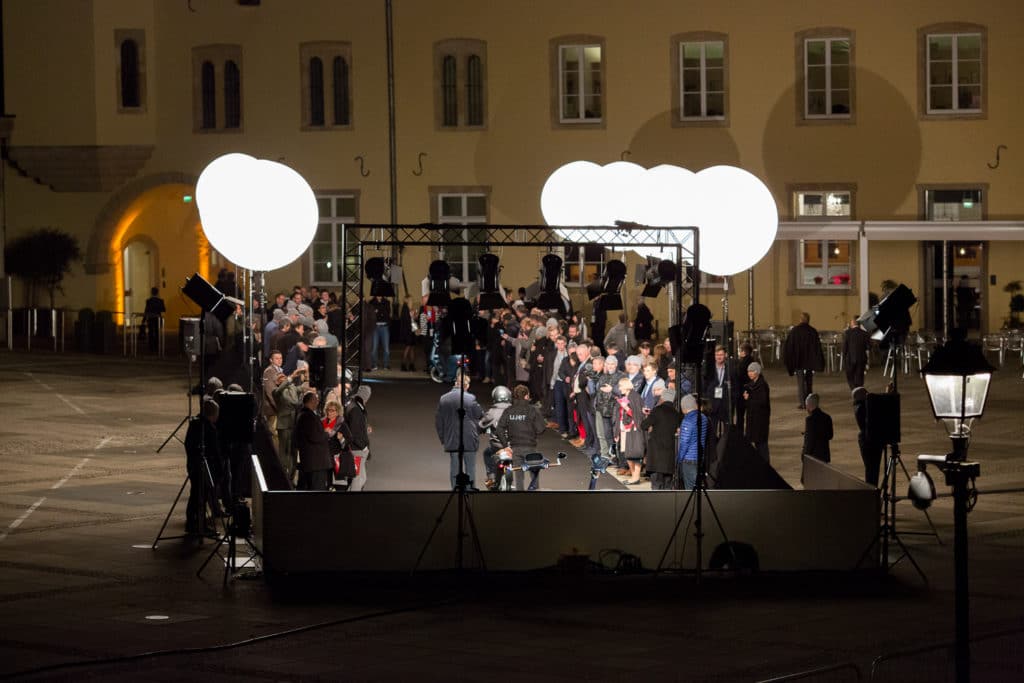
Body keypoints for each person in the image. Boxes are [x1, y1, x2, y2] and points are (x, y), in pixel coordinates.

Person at [435, 372, 483, 489]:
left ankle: (455, 490)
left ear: (456, 383)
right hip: (469, 438)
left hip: (452, 438)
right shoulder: (470, 398)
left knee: (454, 467)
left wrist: (443, 439)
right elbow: (480, 415)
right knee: (470, 467)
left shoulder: (444, 399)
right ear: (466, 385)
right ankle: (470, 491)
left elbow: (439, 421)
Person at [496, 384, 547, 491]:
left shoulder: (509, 410)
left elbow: (499, 429)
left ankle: (520, 497)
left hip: (515, 448)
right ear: (527, 396)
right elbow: (541, 429)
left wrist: (505, 446)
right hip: (530, 448)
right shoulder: (533, 410)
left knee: (519, 478)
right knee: (534, 476)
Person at [184, 399, 221, 536]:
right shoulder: (208, 429)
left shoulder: (194, 424)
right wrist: (219, 468)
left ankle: (192, 522)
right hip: (204, 467)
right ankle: (198, 524)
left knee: (195, 494)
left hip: (193, 464)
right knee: (200, 496)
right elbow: (214, 450)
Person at [272, 362, 306, 483]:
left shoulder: (292, 388)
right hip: (284, 424)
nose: (283, 378)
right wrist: (291, 377)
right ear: (277, 382)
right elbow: (281, 388)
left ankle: (291, 477)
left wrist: (307, 376)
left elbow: (303, 388)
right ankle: (282, 476)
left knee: (293, 452)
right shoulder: (276, 391)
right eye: (280, 378)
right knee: (284, 452)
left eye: (284, 376)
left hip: (294, 424)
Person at [783, 312, 825, 409]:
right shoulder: (813, 331)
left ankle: (803, 403)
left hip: (799, 362)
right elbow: (817, 348)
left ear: (801, 320)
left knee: (801, 383)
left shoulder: (795, 331)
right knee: (809, 382)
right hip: (809, 362)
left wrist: (790, 361)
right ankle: (810, 402)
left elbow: (789, 347)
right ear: (808, 320)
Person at [641, 387, 680, 490]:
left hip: (656, 456)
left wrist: (648, 418)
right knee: (668, 486)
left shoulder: (657, 410)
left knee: (656, 487)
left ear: (662, 398)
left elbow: (644, 425)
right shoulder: (676, 414)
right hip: (669, 456)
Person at [293, 391, 333, 491]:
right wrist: (326, 433)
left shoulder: (303, 414)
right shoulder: (307, 416)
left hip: (311, 462)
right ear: (311, 401)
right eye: (316, 400)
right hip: (315, 463)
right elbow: (314, 436)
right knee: (317, 490)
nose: (317, 402)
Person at [614, 376, 646, 484]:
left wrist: (626, 407)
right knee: (627, 454)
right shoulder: (625, 397)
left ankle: (636, 477)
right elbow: (620, 415)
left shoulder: (635, 397)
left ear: (626, 386)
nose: (619, 388)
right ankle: (633, 476)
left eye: (621, 386)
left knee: (635, 454)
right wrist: (617, 431)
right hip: (625, 429)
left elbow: (638, 415)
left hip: (634, 430)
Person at [479, 385, 513, 489]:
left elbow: (481, 425)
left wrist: (481, 430)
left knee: (487, 453)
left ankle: (491, 477)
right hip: (513, 446)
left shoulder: (492, 412)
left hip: (497, 446)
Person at [676, 393, 709, 490]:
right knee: (698, 488)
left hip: (689, 459)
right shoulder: (703, 418)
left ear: (684, 407)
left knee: (690, 488)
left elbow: (684, 443)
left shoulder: (687, 420)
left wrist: (679, 459)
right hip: (700, 457)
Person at [852, 386, 883, 486]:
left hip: (867, 441)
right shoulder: (862, 408)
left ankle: (871, 488)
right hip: (870, 442)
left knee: (871, 469)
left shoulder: (859, 406)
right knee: (872, 469)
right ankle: (871, 488)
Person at [742, 362, 771, 463]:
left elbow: (762, 402)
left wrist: (749, 398)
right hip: (753, 420)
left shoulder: (762, 385)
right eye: (748, 371)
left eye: (752, 371)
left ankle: (765, 466)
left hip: (760, 421)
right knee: (757, 444)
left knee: (762, 445)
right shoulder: (751, 385)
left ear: (757, 372)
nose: (749, 373)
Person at [801, 393, 833, 483]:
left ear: (809, 406)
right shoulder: (827, 417)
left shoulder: (810, 420)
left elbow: (809, 442)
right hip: (824, 455)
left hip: (813, 457)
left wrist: (804, 455)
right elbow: (830, 435)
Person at [842, 318, 870, 390]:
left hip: (850, 359)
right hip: (861, 358)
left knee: (850, 375)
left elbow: (845, 347)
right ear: (859, 325)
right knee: (860, 375)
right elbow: (869, 347)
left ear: (851, 325)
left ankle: (853, 389)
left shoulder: (847, 333)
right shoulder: (865, 333)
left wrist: (844, 358)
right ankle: (859, 389)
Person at [398, 296, 419, 371]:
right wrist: (416, 329)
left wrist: (415, 316)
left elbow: (413, 320)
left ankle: (411, 365)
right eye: (411, 300)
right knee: (408, 348)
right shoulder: (405, 309)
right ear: (407, 301)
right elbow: (409, 322)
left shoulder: (409, 309)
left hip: (410, 331)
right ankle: (403, 365)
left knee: (412, 348)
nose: (412, 301)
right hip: (408, 332)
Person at [142, 287, 165, 353]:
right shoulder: (161, 301)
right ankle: (156, 346)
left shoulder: (148, 301)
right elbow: (163, 309)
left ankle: (151, 347)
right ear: (157, 293)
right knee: (157, 332)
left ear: (151, 293)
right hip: (158, 319)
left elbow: (146, 310)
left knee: (150, 332)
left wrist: (143, 320)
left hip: (150, 318)